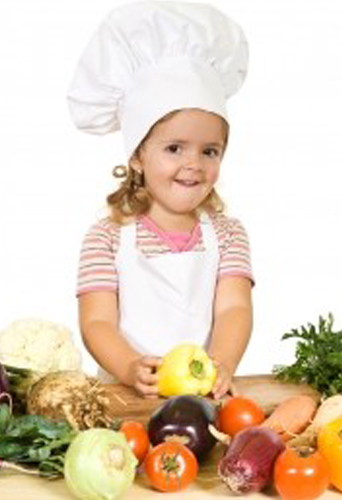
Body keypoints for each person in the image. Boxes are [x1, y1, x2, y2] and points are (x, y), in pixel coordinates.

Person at [68, 1, 253, 400]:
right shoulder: (106, 238)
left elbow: (233, 309)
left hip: (203, 398)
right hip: (127, 399)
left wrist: (222, 363)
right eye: (174, 148)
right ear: (137, 155)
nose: (194, 164)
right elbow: (97, 322)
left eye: (210, 151)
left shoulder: (229, 235)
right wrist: (128, 366)